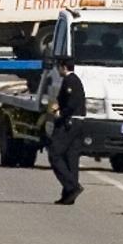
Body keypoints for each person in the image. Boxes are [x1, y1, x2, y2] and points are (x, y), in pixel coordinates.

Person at [48, 58, 86, 205]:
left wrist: (60, 114)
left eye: (59, 67)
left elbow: (71, 103)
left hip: (70, 122)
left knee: (55, 153)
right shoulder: (74, 80)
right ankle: (69, 194)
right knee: (71, 157)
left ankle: (72, 186)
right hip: (78, 122)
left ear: (63, 67)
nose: (58, 70)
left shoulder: (70, 81)